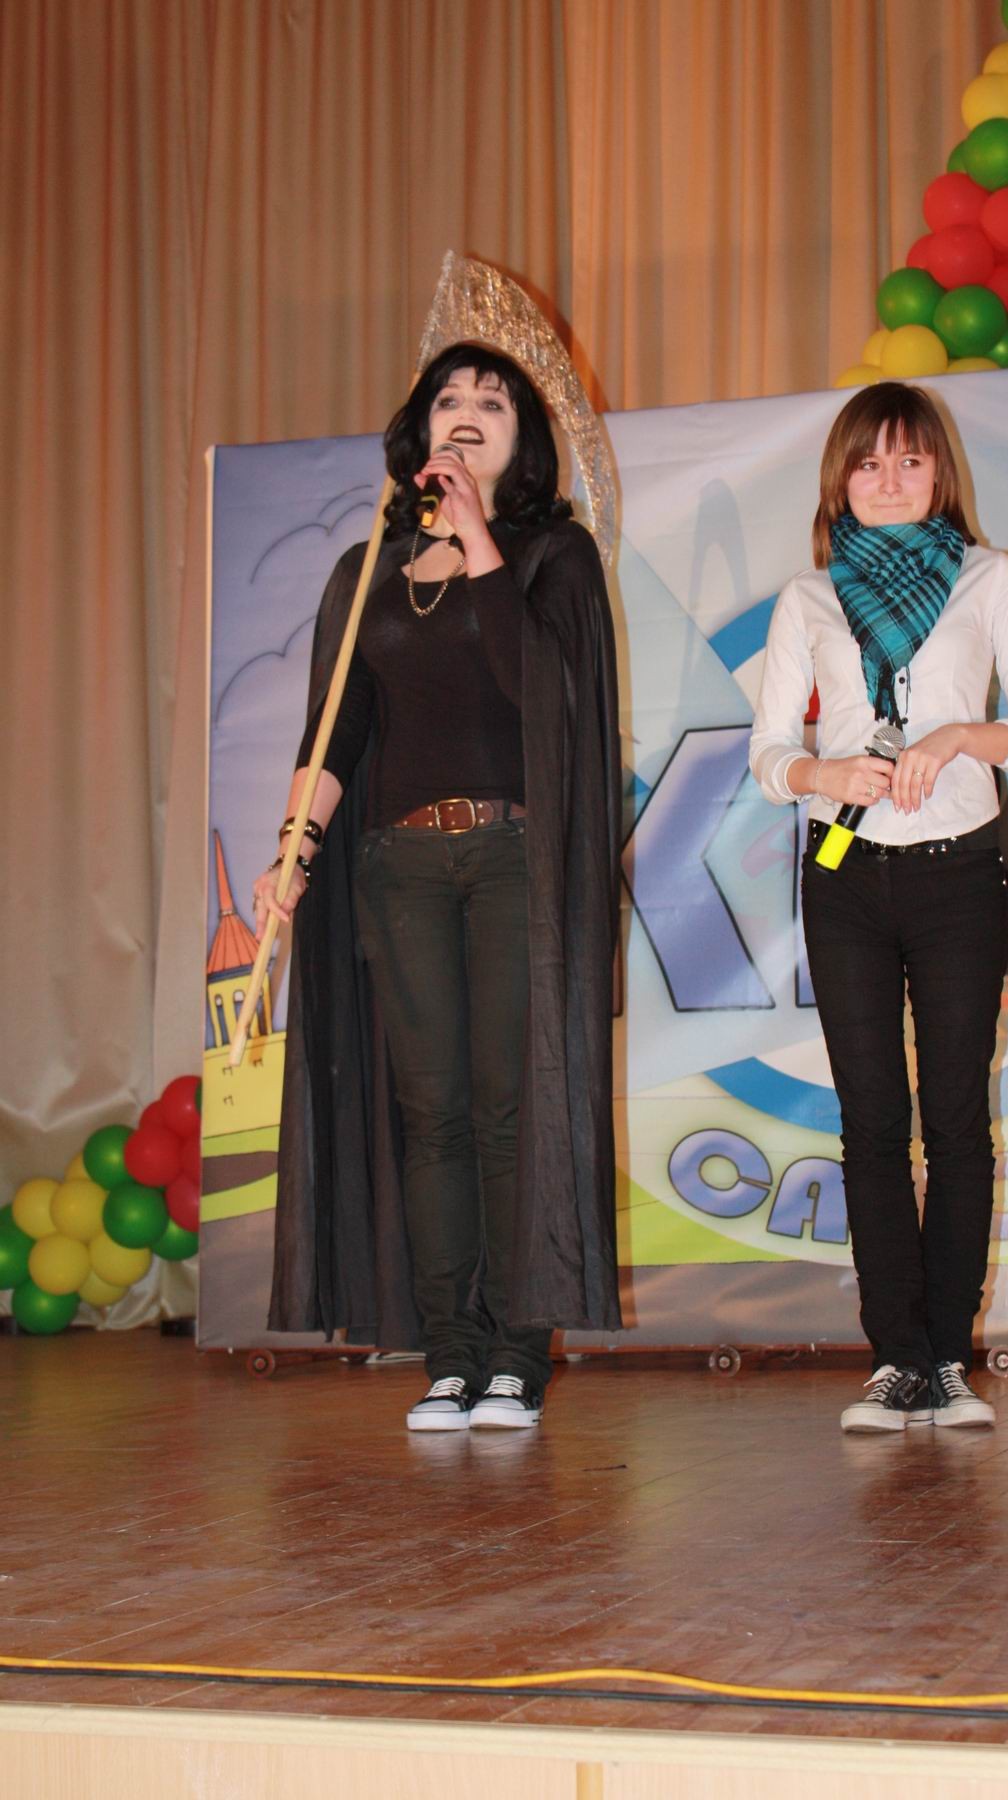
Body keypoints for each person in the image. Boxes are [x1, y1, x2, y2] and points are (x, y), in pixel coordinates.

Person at [255, 342, 623, 1432]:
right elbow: (336, 729)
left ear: (522, 438)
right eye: (447, 399)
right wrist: (293, 853)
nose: (466, 413)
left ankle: (516, 1354)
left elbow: (538, 688)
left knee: (510, 1109)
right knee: (433, 1117)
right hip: (399, 865)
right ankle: (450, 1356)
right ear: (418, 431)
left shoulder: (553, 556)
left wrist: (476, 538)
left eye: (491, 402)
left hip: (513, 856)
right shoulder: (366, 570)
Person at [750, 381, 1008, 1434]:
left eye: (911, 460)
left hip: (960, 874)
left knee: (958, 1118)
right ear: (840, 477)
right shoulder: (807, 598)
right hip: (844, 874)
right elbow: (767, 754)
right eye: (869, 462)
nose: (889, 481)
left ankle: (948, 1357)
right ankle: (895, 1359)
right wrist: (822, 772)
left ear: (941, 473)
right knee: (871, 1121)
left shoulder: (990, 578)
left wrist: (958, 738)